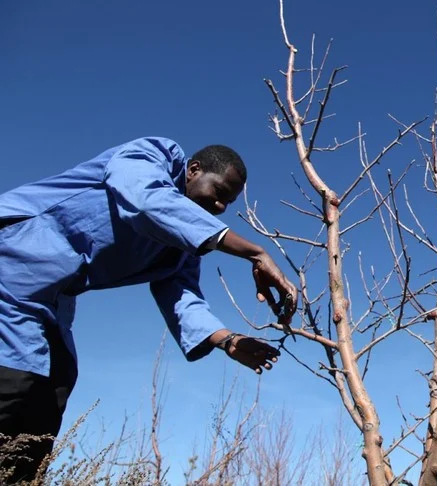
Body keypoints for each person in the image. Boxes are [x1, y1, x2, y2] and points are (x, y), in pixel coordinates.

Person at [0, 136, 298, 482]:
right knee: (16, 378)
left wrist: (227, 340)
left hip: (52, 298)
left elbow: (182, 295)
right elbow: (146, 202)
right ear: (193, 170)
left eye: (228, 203)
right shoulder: (152, 155)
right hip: (13, 253)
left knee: (53, 389)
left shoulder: (183, 246)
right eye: (218, 192)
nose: (219, 207)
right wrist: (254, 252)